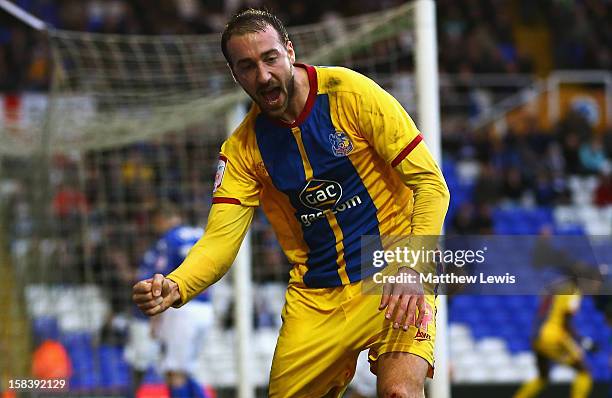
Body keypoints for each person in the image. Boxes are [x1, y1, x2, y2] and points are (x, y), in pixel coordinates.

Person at [133, 9, 449, 397]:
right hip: (316, 299)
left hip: (393, 274)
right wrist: (177, 284)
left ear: (289, 50)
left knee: (399, 392)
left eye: (269, 59)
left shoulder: (352, 95)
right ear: (235, 74)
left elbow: (431, 185)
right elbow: (218, 243)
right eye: (247, 66)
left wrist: (413, 268)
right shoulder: (242, 151)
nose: (263, 76)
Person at [125, 203, 213, 398]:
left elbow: (158, 280)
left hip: (182, 309)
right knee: (186, 369)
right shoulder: (201, 234)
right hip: (205, 308)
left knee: (174, 373)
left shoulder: (168, 240)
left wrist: (155, 319)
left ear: (161, 220)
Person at [514, 278, 594, 398]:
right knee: (584, 372)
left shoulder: (559, 290)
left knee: (543, 377)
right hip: (555, 337)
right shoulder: (574, 293)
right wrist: (582, 340)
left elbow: (541, 311)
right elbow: (566, 320)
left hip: (539, 335)